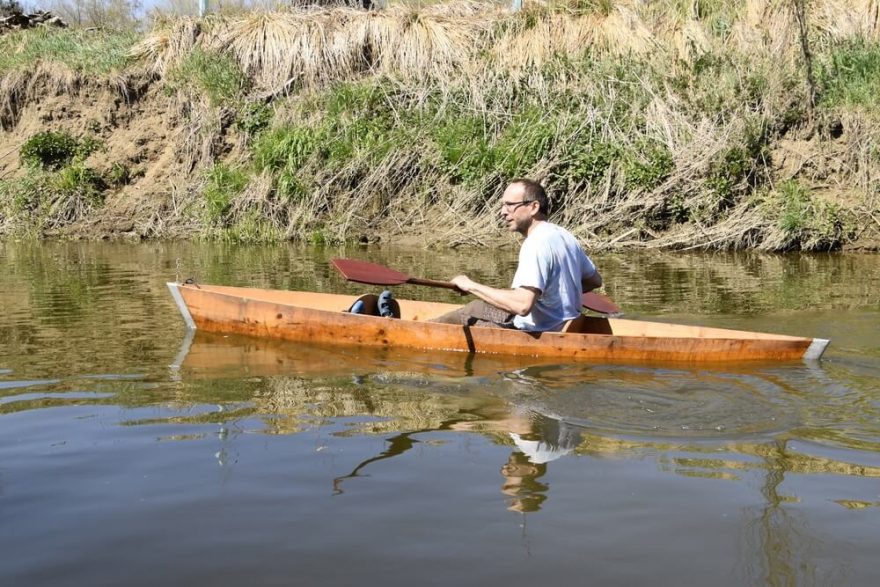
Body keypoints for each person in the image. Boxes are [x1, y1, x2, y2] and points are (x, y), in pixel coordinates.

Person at [432, 179, 602, 332]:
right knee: (475, 307)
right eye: (502, 205)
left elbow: (522, 306)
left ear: (533, 207)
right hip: (562, 323)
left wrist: (470, 285)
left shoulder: (535, 243)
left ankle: (411, 334)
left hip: (538, 333)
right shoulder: (564, 235)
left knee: (459, 319)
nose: (502, 212)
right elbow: (594, 281)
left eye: (510, 205)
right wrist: (551, 295)